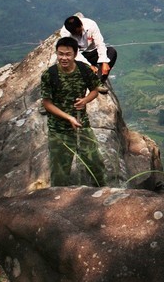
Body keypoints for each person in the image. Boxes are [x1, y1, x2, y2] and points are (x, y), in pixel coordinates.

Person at [40, 36, 107, 187]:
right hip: (59, 130)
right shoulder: (50, 75)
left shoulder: (84, 70)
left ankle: (104, 193)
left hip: (82, 125)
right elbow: (47, 103)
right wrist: (69, 117)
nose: (64, 58)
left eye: (67, 54)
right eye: (60, 54)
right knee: (59, 172)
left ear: (75, 54)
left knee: (95, 163)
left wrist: (85, 101)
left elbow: (95, 90)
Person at [60, 14, 118, 93]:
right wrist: (88, 65)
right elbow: (74, 52)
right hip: (78, 56)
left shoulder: (90, 25)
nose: (78, 34)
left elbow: (99, 43)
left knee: (111, 52)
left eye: (79, 31)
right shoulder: (65, 33)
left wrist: (104, 62)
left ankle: (99, 81)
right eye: (75, 34)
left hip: (92, 52)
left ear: (81, 25)